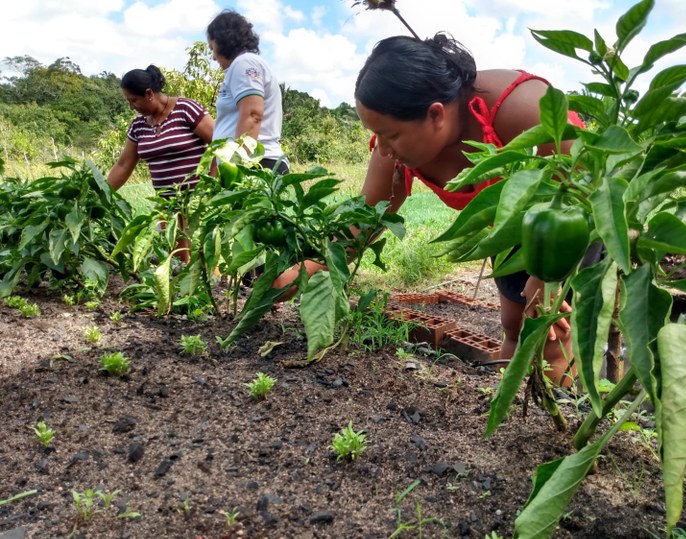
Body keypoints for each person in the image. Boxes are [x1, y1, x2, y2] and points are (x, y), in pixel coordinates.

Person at [278, 33, 583, 386]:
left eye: (390, 135)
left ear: (436, 114)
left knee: (548, 332)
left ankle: (564, 425)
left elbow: (582, 183)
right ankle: (507, 416)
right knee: (514, 326)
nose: (384, 149)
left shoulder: (522, 107)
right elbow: (365, 221)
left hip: (570, 217)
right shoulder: (395, 147)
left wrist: (547, 277)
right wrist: (309, 268)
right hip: (512, 223)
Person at [107, 65, 214, 262]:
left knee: (205, 261)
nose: (131, 106)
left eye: (133, 100)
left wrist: (211, 187)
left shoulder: (185, 109)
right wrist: (100, 193)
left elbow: (219, 145)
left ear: (149, 94)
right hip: (168, 206)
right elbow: (123, 166)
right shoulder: (138, 125)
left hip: (198, 203)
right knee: (179, 264)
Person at [206, 10, 288, 174]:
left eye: (212, 47)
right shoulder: (241, 66)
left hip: (255, 165)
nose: (213, 57)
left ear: (222, 41)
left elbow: (252, 115)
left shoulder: (244, 63)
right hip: (250, 164)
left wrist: (237, 166)